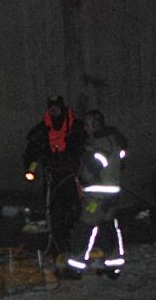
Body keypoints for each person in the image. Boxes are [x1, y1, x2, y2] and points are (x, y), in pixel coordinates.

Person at [63, 109, 128, 280]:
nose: (85, 128)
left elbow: (93, 166)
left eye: (88, 124)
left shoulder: (102, 143)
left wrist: (82, 173)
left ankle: (74, 267)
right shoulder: (114, 140)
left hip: (97, 195)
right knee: (107, 228)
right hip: (111, 193)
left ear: (96, 124)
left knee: (83, 228)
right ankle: (112, 265)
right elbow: (120, 164)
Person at [23, 95, 84, 253]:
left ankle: (74, 242)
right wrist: (30, 169)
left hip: (71, 176)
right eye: (51, 108)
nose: (54, 110)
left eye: (57, 107)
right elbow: (32, 151)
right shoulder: (42, 129)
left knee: (74, 210)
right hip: (52, 178)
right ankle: (57, 245)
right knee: (54, 211)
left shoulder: (76, 127)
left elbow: (83, 146)